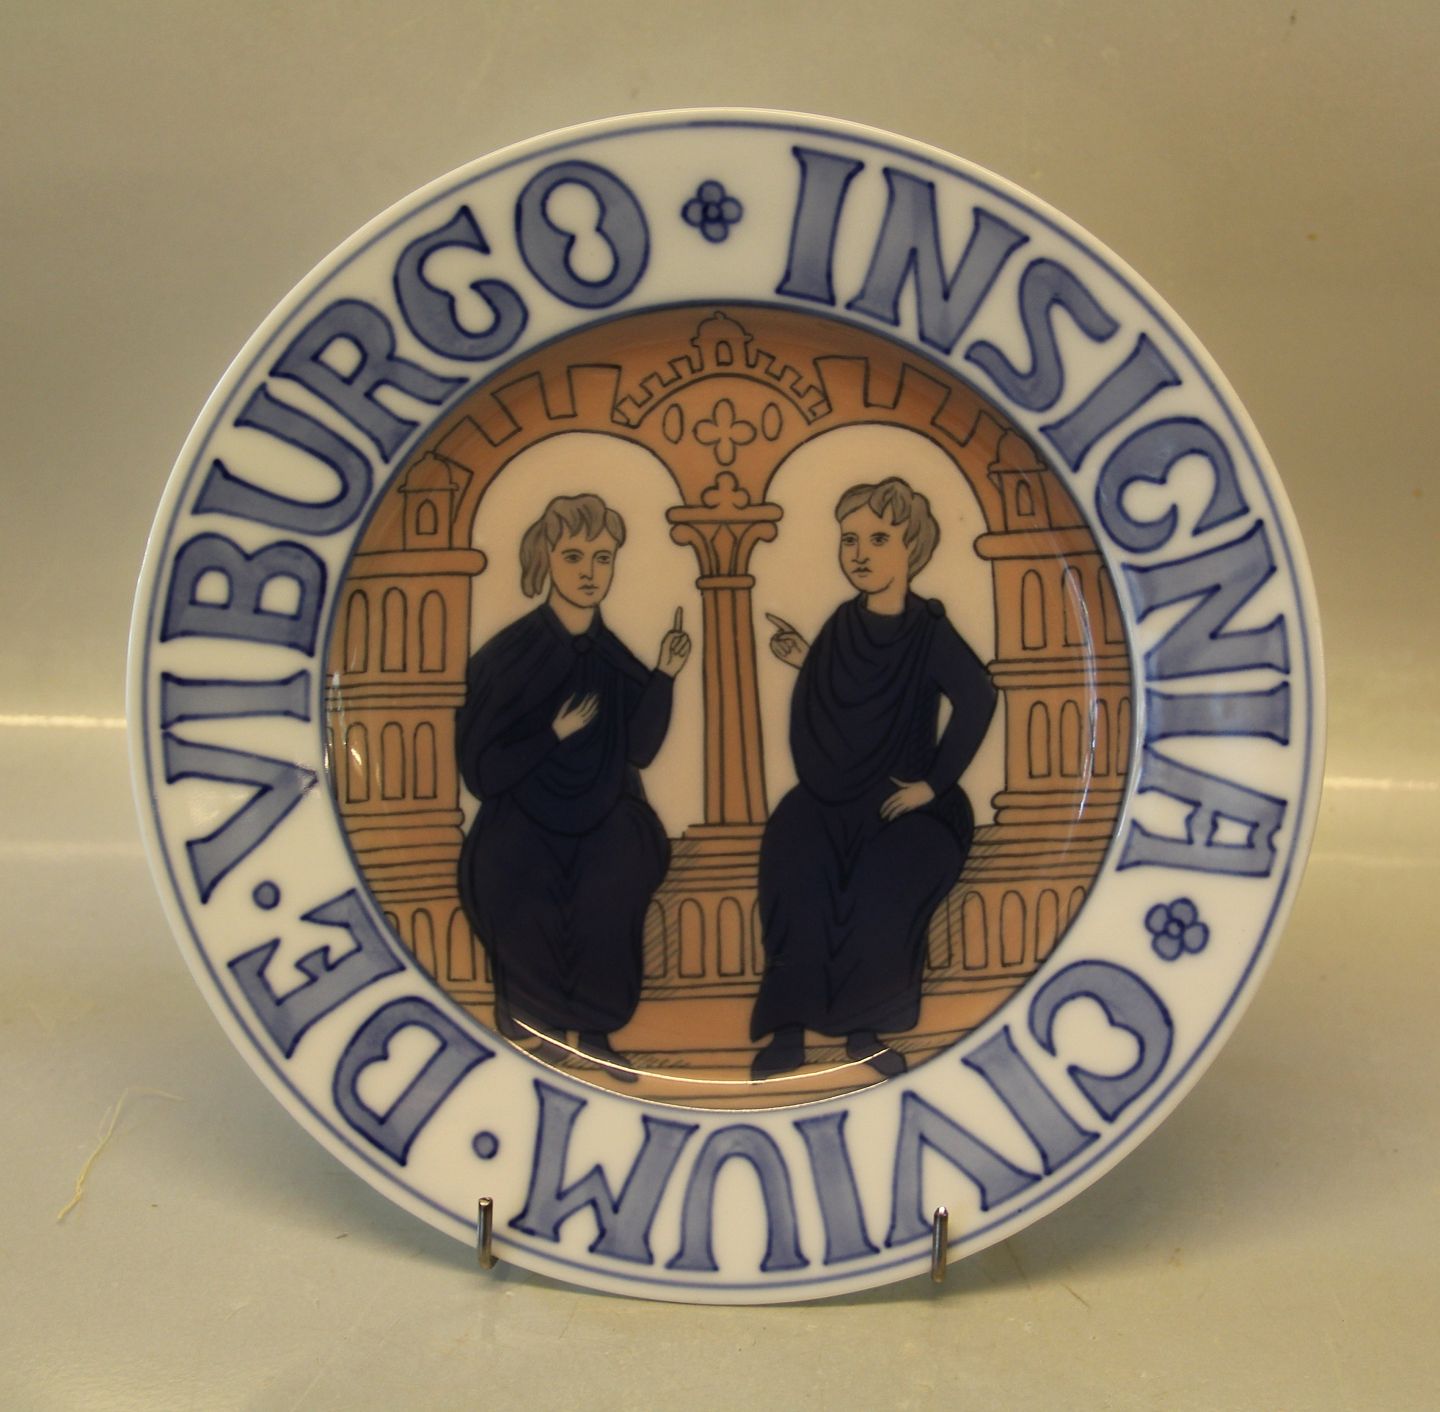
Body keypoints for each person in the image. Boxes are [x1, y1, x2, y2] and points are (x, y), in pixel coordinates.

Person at [751, 476, 996, 1079]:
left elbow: (978, 697)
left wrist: (932, 785)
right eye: (850, 539)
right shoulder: (841, 622)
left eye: (879, 539)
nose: (860, 553)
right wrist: (807, 660)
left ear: (913, 548)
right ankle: (789, 1031)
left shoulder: (928, 630)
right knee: (793, 856)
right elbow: (837, 700)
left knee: (881, 880)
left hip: (906, 800)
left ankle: (865, 1033)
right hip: (832, 792)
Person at [455, 493, 690, 1080]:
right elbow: (480, 770)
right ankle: (540, 1029)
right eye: (574, 556)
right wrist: (550, 736)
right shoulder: (506, 657)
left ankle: (595, 1036)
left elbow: (640, 750)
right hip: (524, 818)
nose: (590, 572)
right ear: (546, 559)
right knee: (515, 874)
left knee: (612, 878)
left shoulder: (612, 656)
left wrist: (664, 675)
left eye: (602, 558)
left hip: (604, 814)